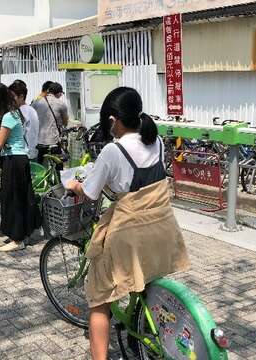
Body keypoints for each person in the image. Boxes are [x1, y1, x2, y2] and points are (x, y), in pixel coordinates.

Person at [65, 87, 190, 360]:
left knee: (99, 300)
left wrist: (73, 184)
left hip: (131, 234)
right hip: (163, 228)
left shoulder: (113, 150)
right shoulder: (155, 142)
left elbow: (90, 193)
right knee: (143, 280)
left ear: (113, 121)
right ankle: (138, 332)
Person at [0, 83, 41, 252]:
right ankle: (21, 233)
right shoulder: (14, 113)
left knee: (13, 200)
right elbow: (1, 133)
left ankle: (17, 239)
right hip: (19, 159)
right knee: (20, 197)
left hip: (13, 160)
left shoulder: (8, 115)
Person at [32, 82, 69, 165]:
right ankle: (57, 176)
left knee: (40, 166)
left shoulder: (36, 102)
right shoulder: (61, 104)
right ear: (59, 93)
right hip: (53, 141)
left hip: (38, 141)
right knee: (57, 166)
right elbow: (65, 122)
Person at [9, 80, 39, 161]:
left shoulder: (20, 112)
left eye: (12, 96)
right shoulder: (31, 109)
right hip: (32, 153)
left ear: (21, 96)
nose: (10, 99)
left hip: (23, 155)